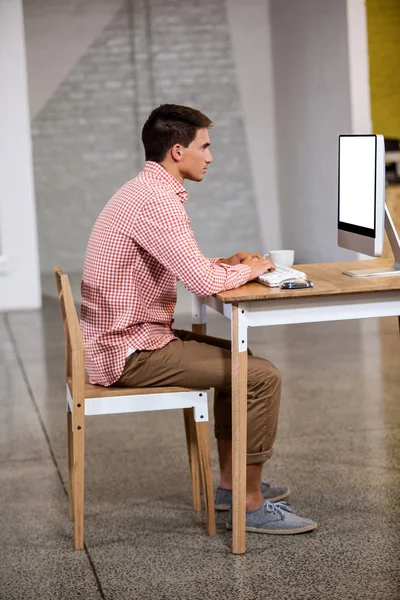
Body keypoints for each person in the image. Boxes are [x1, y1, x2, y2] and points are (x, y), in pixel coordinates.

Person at [81, 104, 317, 535]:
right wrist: (257, 266)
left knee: (241, 361)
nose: (209, 157)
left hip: (122, 339)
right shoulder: (156, 201)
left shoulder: (143, 191)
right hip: (129, 352)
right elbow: (201, 280)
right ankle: (249, 504)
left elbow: (188, 264)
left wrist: (229, 262)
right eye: (204, 147)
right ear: (177, 151)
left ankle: (230, 487)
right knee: (261, 376)